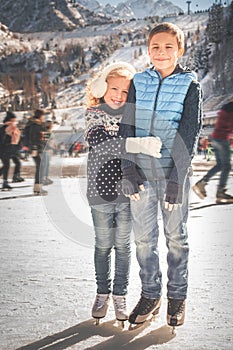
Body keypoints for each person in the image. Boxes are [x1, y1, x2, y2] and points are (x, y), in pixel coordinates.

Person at [119, 22, 203, 328]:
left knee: (176, 237)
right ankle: (151, 295)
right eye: (155, 46)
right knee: (143, 240)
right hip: (140, 174)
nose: (162, 52)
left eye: (169, 46)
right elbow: (126, 126)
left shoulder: (190, 84)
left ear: (180, 50)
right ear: (148, 49)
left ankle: (177, 298)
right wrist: (127, 167)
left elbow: (190, 132)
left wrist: (176, 178)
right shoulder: (138, 82)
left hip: (172, 174)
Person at [85, 62, 162, 324]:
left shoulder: (134, 117)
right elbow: (99, 142)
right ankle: (101, 292)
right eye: (113, 88)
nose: (118, 95)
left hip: (129, 193)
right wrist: (133, 143)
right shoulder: (94, 112)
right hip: (100, 193)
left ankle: (119, 294)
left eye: (125, 91)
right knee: (103, 246)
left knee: (123, 247)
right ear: (102, 87)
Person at [192, 98, 233, 203]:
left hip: (215, 137)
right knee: (227, 166)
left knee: (220, 165)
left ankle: (202, 183)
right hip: (222, 139)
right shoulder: (231, 109)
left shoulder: (226, 107)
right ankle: (220, 192)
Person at [25, 109, 47, 195]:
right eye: (43, 115)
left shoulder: (35, 124)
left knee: (40, 166)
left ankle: (38, 187)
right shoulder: (35, 125)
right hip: (35, 148)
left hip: (36, 148)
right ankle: (38, 188)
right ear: (40, 116)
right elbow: (33, 137)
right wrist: (34, 148)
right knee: (40, 167)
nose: (44, 117)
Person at [0, 111, 21, 190]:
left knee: (6, 165)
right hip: (4, 149)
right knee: (6, 165)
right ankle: (5, 182)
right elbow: (3, 140)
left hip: (8, 149)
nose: (15, 121)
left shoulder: (11, 128)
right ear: (10, 119)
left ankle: (6, 181)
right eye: (13, 120)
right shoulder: (7, 128)